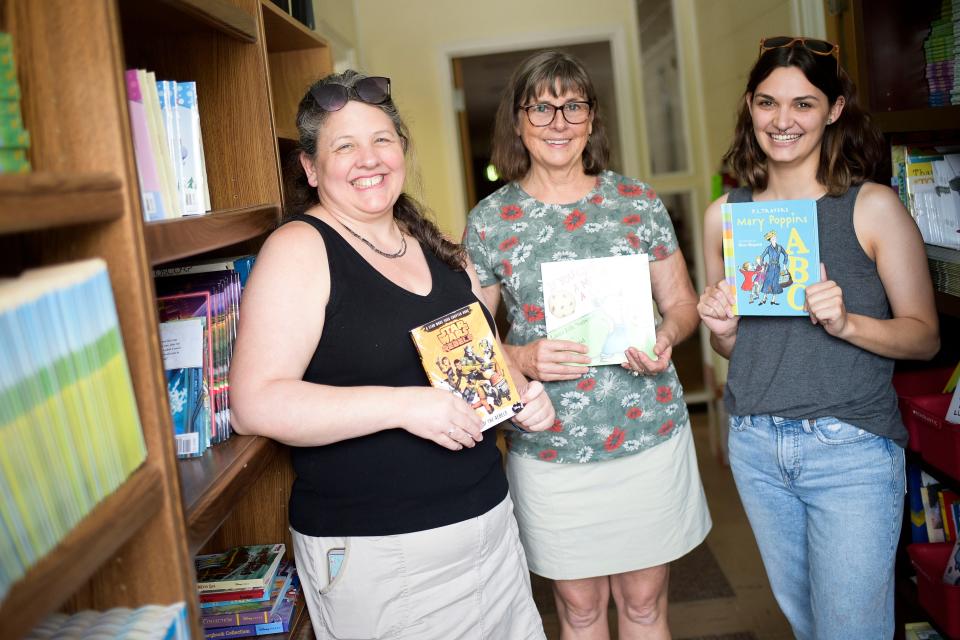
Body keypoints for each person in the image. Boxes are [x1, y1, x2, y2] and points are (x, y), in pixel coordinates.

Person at [229, 70, 556, 640]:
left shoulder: (430, 244)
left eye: (382, 139)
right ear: (310, 167)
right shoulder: (300, 249)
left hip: (489, 532)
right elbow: (255, 403)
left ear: (402, 149)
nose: (368, 158)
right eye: (344, 145)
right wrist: (406, 406)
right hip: (383, 554)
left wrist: (524, 392)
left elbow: (481, 351)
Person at [697, 36, 940, 639]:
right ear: (749, 107)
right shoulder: (724, 216)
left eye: (803, 104)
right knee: (811, 629)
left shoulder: (872, 208)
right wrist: (723, 332)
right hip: (755, 442)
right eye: (767, 103)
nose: (782, 121)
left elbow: (925, 338)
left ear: (833, 110)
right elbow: (734, 348)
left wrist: (847, 322)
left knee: (850, 631)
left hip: (849, 448)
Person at [464, 50, 711, 639]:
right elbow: (469, 344)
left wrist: (667, 334)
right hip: (551, 449)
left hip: (647, 435)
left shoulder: (638, 204)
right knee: (577, 609)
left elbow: (682, 305)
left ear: (592, 118)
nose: (558, 121)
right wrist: (521, 358)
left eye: (572, 105)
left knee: (646, 605)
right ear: (518, 121)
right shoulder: (490, 221)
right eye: (541, 107)